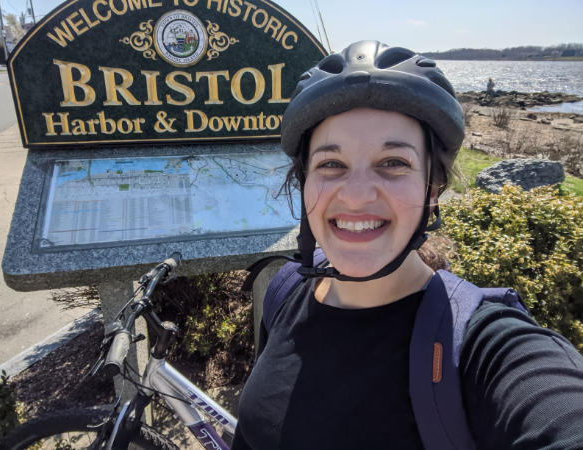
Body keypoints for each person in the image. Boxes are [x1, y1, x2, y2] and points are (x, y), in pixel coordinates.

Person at [232, 41, 583, 449]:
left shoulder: (483, 348)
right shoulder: (285, 291)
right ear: (304, 181)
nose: (358, 195)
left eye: (393, 163)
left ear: (433, 188)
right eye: (331, 164)